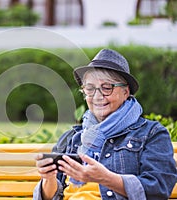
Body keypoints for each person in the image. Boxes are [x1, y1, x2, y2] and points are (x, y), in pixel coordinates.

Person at [33, 49, 177, 200]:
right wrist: (48, 179)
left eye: (107, 87)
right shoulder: (72, 138)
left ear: (125, 92)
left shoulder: (152, 134)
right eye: (89, 89)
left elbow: (158, 189)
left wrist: (106, 178)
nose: (97, 96)